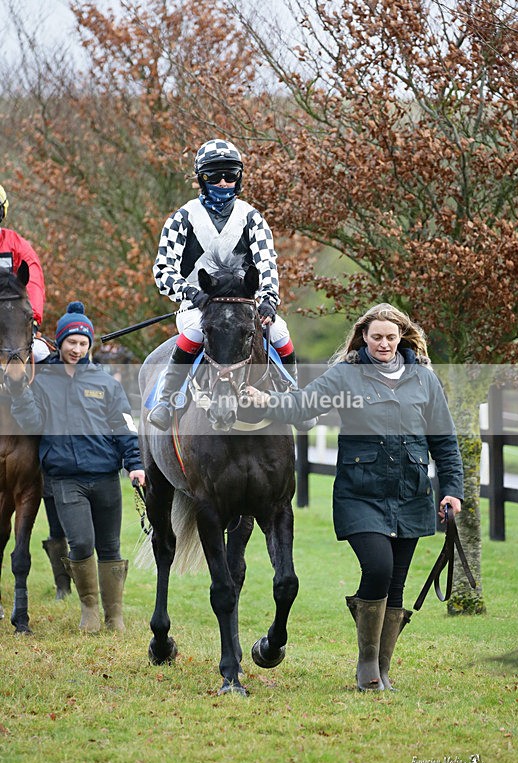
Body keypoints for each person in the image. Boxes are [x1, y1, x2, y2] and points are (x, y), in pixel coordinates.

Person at [246, 303, 464, 691]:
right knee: (377, 568)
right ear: (364, 336)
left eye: (390, 337)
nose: (383, 343)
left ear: (402, 338)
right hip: (360, 493)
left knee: (396, 583)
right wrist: (268, 402)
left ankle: (382, 668)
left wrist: (452, 490)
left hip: (411, 494)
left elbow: (444, 441)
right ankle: (366, 665)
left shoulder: (424, 379)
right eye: (376, 336)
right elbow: (304, 405)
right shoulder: (347, 373)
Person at [148, 138, 308, 431]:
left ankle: (295, 396)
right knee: (196, 331)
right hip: (199, 304)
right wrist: (190, 293)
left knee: (281, 331)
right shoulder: (182, 218)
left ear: (239, 177)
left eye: (230, 175)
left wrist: (270, 298)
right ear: (201, 179)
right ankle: (165, 398)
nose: (223, 182)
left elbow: (266, 264)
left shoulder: (252, 218)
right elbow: (163, 270)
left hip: (246, 304)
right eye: (214, 176)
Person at [6, 302, 145, 633]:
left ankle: (115, 616)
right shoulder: (44, 382)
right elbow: (32, 423)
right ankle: (90, 611)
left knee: (110, 546)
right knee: (81, 543)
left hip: (106, 477)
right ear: (61, 341)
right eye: (71, 342)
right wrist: (19, 392)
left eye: (83, 344)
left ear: (89, 346)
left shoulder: (105, 382)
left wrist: (135, 464)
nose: (77, 349)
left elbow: (124, 426)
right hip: (66, 479)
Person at [0, 183, 49, 362]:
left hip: (12, 325)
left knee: (42, 352)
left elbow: (34, 280)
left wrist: (33, 318)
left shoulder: (16, 244)